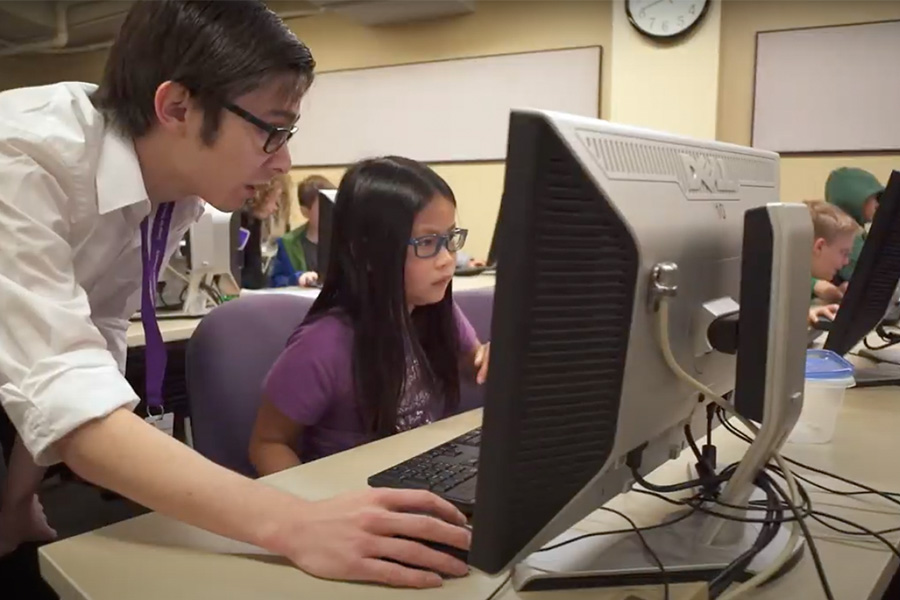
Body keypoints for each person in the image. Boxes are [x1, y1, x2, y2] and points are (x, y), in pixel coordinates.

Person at [0, 0, 469, 589]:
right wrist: (295, 524)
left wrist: (17, 499)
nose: (286, 159)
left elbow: (85, 347)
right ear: (176, 107)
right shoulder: (21, 158)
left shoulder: (172, 190)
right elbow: (62, 387)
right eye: (273, 129)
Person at [249, 157, 490, 471]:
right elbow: (268, 443)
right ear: (369, 252)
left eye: (450, 239)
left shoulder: (435, 312)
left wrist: (486, 359)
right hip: (350, 493)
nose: (447, 260)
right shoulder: (322, 346)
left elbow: (470, 365)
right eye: (428, 242)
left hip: (419, 475)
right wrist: (314, 513)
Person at [811, 167, 885, 303]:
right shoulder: (846, 237)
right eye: (876, 198)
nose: (879, 204)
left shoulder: (855, 233)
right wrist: (814, 284)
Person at [269, 174, 334, 288]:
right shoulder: (287, 243)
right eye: (323, 207)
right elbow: (275, 281)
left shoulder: (346, 240)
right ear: (305, 211)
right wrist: (297, 278)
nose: (330, 211)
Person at [804, 200, 860, 327]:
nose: (846, 262)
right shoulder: (776, 283)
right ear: (819, 247)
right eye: (844, 253)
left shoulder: (798, 279)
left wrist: (810, 312)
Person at [241, 174, 291, 289]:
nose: (275, 208)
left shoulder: (254, 222)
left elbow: (254, 272)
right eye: (275, 201)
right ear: (262, 195)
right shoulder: (239, 222)